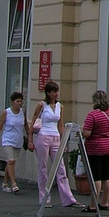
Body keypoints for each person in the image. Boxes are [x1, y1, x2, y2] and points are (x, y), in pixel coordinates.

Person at [29, 80, 78, 208]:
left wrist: (64, 141)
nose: (56, 94)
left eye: (57, 91)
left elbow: (60, 125)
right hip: (43, 136)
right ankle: (44, 198)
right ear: (48, 93)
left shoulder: (59, 106)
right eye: (53, 92)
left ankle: (68, 198)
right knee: (43, 168)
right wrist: (30, 140)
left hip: (55, 136)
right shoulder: (41, 105)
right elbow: (33, 121)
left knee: (60, 168)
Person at [81, 90, 109, 212]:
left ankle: (92, 204)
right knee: (107, 176)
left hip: (95, 149)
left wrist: (81, 131)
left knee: (96, 177)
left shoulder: (93, 115)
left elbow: (86, 133)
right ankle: (105, 202)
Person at [0, 90, 27, 193]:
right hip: (8, 139)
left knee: (10, 163)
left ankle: (5, 183)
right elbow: (0, 126)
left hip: (18, 140)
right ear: (12, 102)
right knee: (11, 161)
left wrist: (29, 137)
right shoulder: (7, 112)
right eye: (17, 101)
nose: (19, 103)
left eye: (21, 101)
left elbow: (26, 125)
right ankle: (14, 184)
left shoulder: (22, 112)